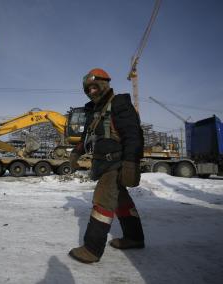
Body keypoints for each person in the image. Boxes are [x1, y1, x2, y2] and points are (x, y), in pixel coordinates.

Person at [68, 68, 145, 264]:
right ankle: (134, 238)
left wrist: (130, 163)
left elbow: (133, 135)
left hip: (116, 163)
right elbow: (86, 136)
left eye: (95, 87)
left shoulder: (119, 103)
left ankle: (92, 249)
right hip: (103, 163)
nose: (92, 91)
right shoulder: (93, 111)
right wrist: (76, 153)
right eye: (89, 89)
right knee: (121, 201)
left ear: (105, 84)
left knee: (102, 199)